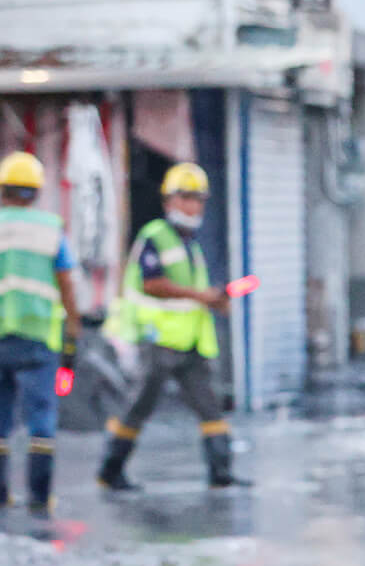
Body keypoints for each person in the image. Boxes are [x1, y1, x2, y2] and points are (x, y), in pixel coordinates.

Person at [98, 162, 247, 491]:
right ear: (168, 201)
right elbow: (153, 284)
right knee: (139, 406)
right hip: (159, 339)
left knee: (210, 406)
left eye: (198, 199)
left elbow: (191, 295)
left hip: (192, 341)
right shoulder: (155, 237)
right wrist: (200, 296)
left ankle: (221, 472)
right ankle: (110, 470)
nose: (193, 206)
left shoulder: (190, 246)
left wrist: (214, 301)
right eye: (186, 197)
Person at [0, 151, 82, 516]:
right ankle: (39, 497)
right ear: (36, 191)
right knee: (41, 419)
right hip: (38, 338)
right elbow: (66, 281)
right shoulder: (50, 228)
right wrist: (74, 326)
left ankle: (1, 496)